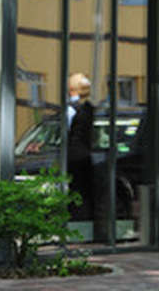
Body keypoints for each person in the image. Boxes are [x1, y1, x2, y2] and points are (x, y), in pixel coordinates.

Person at [66, 72, 95, 219]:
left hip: (73, 156)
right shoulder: (89, 108)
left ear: (71, 88)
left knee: (74, 191)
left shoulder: (71, 109)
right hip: (86, 154)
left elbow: (65, 132)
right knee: (85, 192)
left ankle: (76, 222)